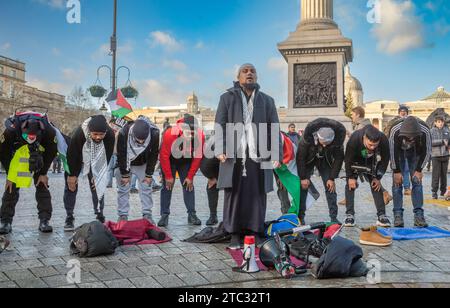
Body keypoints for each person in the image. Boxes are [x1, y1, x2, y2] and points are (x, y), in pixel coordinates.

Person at [214, 63, 282, 249]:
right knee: (234, 194)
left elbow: (274, 128)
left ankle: (254, 230)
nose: (249, 73)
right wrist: (220, 148)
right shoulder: (227, 98)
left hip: (260, 156)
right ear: (238, 77)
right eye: (245, 71)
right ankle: (234, 232)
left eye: (253, 70)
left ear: (257, 77)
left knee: (257, 194)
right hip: (233, 155)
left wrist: (276, 153)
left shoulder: (267, 101)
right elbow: (219, 124)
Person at [0, 112, 58, 234]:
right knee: (11, 188)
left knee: (42, 186)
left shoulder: (49, 131)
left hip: (39, 157)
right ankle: (5, 221)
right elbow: (3, 152)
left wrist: (43, 172)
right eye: (28, 137)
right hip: (17, 157)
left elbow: (51, 151)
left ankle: (44, 220)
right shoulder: (11, 131)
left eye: (33, 137)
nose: (30, 140)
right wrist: (10, 175)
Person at [63, 115, 115, 231]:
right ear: (90, 131)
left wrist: (97, 176)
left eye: (101, 134)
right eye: (95, 134)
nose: (98, 137)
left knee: (97, 186)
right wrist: (72, 175)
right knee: (71, 186)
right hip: (76, 156)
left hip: (97, 157)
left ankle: (99, 214)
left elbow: (107, 156)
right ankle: (69, 217)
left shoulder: (110, 134)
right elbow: (72, 155)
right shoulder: (79, 133)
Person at [158, 114, 205, 227]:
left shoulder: (200, 136)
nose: (191, 136)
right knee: (167, 186)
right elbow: (163, 156)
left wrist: (190, 177)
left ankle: (192, 214)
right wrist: (168, 176)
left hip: (186, 161)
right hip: (170, 160)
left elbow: (198, 157)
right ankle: (164, 215)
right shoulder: (170, 133)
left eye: (193, 133)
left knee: (188, 185)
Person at [297, 118, 346, 224]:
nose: (324, 145)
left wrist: (332, 178)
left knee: (330, 187)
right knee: (303, 187)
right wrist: (303, 178)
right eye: (322, 142)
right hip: (308, 160)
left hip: (324, 160)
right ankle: (300, 217)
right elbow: (300, 158)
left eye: (327, 144)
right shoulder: (307, 138)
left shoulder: (338, 140)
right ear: (317, 137)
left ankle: (333, 217)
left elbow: (339, 159)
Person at [344, 125, 391, 228]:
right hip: (355, 160)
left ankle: (381, 215)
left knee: (376, 184)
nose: (372, 147)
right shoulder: (355, 138)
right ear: (364, 138)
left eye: (375, 145)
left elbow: (385, 159)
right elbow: (347, 159)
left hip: (371, 161)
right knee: (350, 185)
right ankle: (350, 215)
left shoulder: (383, 139)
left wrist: (378, 177)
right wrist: (350, 177)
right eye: (370, 145)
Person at [116, 116, 160, 223]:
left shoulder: (154, 133)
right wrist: (125, 174)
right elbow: (121, 153)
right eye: (138, 140)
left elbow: (153, 154)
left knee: (146, 188)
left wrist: (149, 174)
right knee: (123, 189)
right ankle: (123, 215)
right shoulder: (124, 132)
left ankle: (147, 214)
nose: (140, 142)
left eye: (143, 140)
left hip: (143, 163)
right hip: (126, 162)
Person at [389, 116, 431, 228]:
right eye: (408, 137)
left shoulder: (425, 130)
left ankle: (419, 215)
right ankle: (398, 215)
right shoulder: (395, 130)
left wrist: (419, 170)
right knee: (397, 183)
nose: (410, 139)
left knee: (417, 182)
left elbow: (427, 151)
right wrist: (396, 171)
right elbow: (392, 153)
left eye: (413, 137)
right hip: (398, 153)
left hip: (415, 153)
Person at [200, 135, 221, 226]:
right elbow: (205, 166)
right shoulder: (214, 142)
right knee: (211, 185)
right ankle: (213, 216)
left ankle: (234, 215)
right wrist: (212, 178)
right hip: (213, 164)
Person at [431, 116, 450, 199]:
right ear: (435, 123)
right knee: (436, 175)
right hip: (436, 156)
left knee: (444, 175)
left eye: (441, 121)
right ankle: (434, 192)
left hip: (445, 155)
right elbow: (431, 142)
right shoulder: (431, 131)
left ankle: (443, 191)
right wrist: (442, 141)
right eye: (438, 122)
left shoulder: (447, 130)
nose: (440, 123)